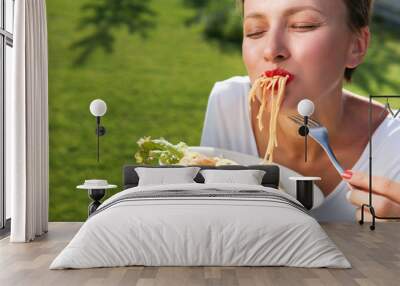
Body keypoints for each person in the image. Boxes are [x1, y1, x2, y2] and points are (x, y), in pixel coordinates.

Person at [200, 0, 400, 222]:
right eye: (255, 31)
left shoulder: (394, 145)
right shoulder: (230, 103)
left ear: (356, 46)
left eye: (302, 25)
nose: (272, 50)